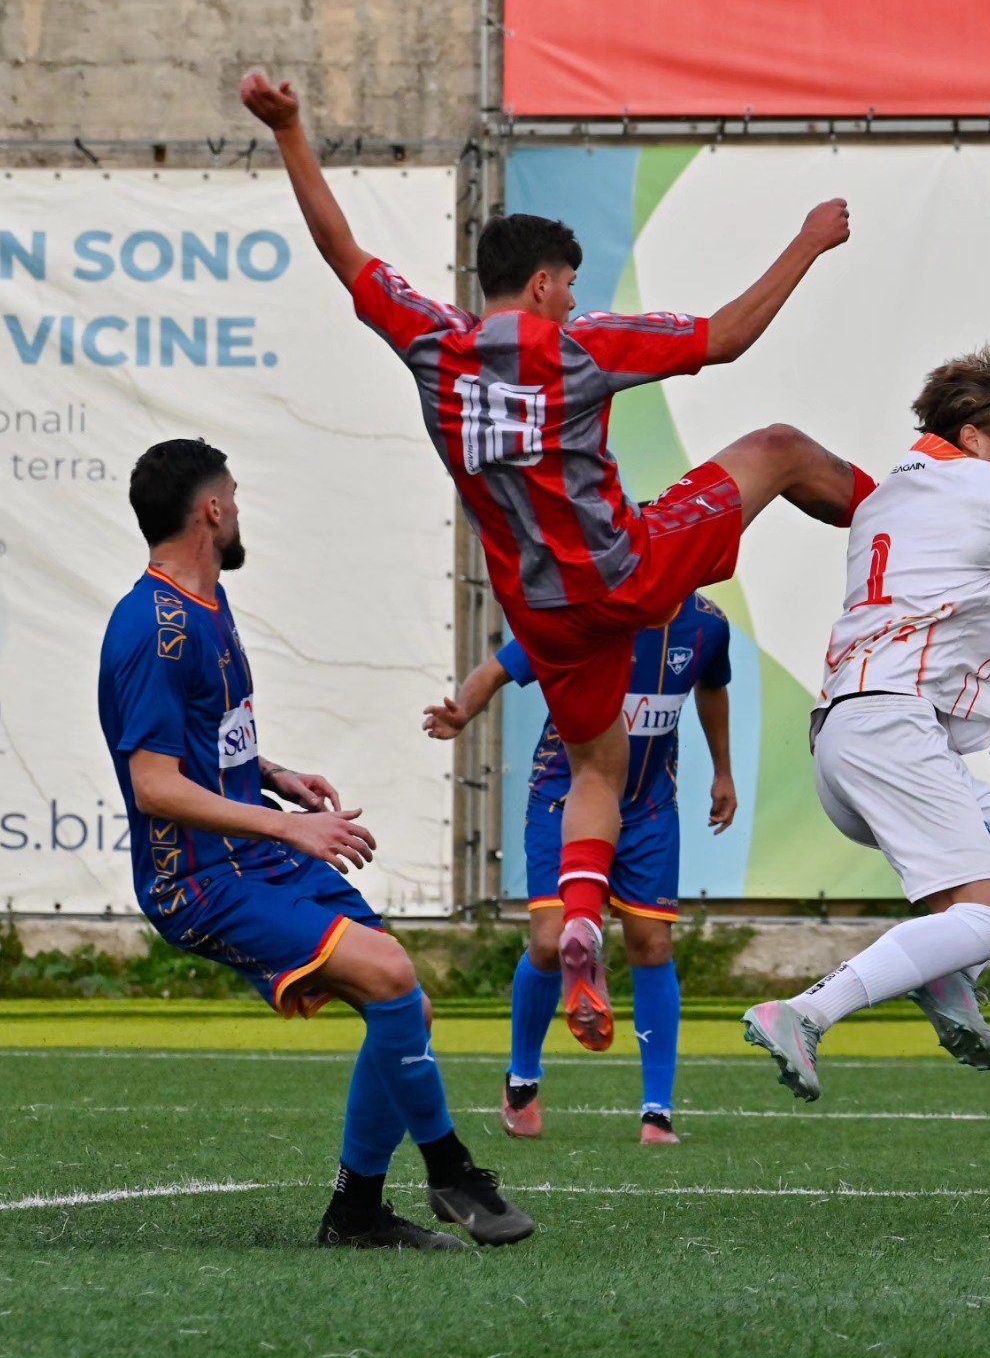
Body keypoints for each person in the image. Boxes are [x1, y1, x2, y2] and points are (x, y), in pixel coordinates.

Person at [242, 71, 874, 1057]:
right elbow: (728, 337)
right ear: (543, 284)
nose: (576, 296)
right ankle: (915, 522)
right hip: (629, 573)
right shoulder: (583, 347)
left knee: (595, 765)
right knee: (782, 448)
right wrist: (809, 240)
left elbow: (340, 249)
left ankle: (581, 919)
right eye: (569, 281)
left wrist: (289, 128)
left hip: (541, 614)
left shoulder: (434, 345)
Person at [97, 439, 533, 1250]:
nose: (240, 510)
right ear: (211, 510)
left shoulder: (206, 603)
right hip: (198, 878)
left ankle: (356, 1213)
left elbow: (204, 741)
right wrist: (288, 824)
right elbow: (154, 785)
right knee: (391, 973)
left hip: (254, 854)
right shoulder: (154, 628)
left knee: (407, 1006)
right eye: (235, 496)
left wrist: (272, 775)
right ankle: (450, 1169)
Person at [742, 350, 990, 1103]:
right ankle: (806, 1010)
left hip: (849, 736)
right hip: (895, 731)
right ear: (974, 438)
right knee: (985, 912)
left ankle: (950, 971)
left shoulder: (884, 498)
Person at [424, 592, 735, 1143]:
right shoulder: (593, 614)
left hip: (648, 807)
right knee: (548, 943)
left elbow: (712, 689)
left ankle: (657, 1113)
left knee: (653, 945)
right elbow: (496, 669)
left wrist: (723, 772)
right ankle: (522, 1081)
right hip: (564, 798)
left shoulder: (709, 625)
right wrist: (463, 711)